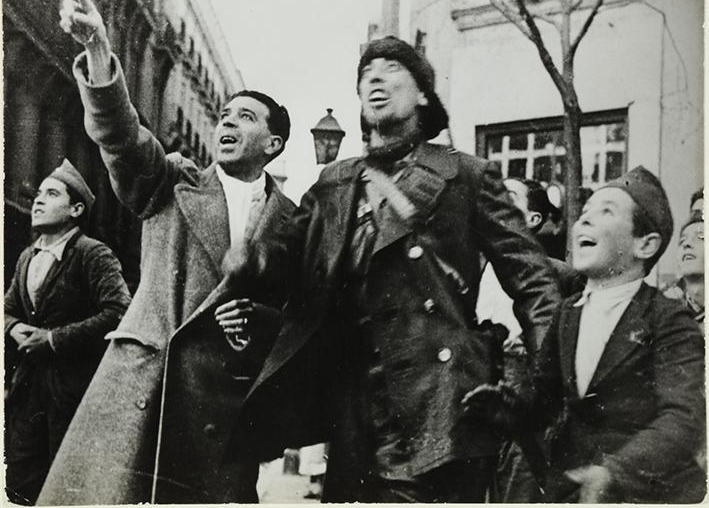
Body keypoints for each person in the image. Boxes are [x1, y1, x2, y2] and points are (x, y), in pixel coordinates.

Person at [228, 36, 562, 503]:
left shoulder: (466, 175)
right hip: (355, 412)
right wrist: (254, 259)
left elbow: (534, 283)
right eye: (367, 73)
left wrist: (539, 389)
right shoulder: (335, 182)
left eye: (391, 68)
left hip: (441, 408)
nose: (375, 78)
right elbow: (288, 257)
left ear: (424, 94)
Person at [37, 0, 296, 504]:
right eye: (224, 113)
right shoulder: (174, 181)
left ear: (273, 145)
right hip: (144, 393)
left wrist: (261, 323)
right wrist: (100, 52)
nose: (226, 121)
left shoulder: (294, 220)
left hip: (222, 414)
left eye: (244, 117)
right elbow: (122, 139)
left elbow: (301, 314)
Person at [465, 166, 706, 503]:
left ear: (645, 245)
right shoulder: (568, 313)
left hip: (648, 494)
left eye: (606, 211)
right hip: (578, 489)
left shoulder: (667, 317)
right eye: (585, 212)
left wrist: (614, 472)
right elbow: (545, 404)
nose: (585, 221)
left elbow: (684, 419)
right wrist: (512, 413)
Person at [4, 159, 131, 505]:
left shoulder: (93, 254)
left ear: (76, 209)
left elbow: (120, 312)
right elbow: (7, 309)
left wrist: (54, 339)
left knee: (70, 491)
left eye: (52, 193)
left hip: (75, 396)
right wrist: (13, 328)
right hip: (29, 392)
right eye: (39, 194)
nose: (38, 200)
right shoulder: (28, 256)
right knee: (21, 486)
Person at [476, 177, 584, 503]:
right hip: (474, 411)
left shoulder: (561, 276)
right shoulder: (467, 272)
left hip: (527, 418)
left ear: (532, 220)